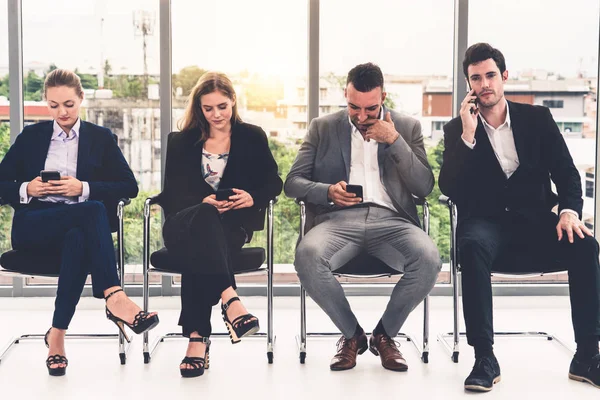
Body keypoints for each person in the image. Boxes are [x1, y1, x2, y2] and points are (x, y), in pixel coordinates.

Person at [439, 42, 600, 392]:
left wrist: (569, 212)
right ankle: (484, 357)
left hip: (536, 224)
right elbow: (449, 186)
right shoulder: (457, 130)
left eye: (491, 75)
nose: (485, 84)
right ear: (470, 85)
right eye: (476, 78)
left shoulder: (537, 119)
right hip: (485, 226)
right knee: (472, 245)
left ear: (504, 76)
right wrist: (468, 135)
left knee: (586, 244)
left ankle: (587, 354)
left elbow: (568, 174)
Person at [0, 69, 159, 376]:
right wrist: (27, 188)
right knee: (92, 210)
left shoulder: (100, 138)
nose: (62, 112)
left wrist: (81, 188)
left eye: (69, 104)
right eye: (54, 105)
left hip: (77, 229)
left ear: (81, 98)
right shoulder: (31, 137)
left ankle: (56, 337)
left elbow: (130, 187)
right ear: (46, 103)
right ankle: (115, 297)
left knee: (78, 236)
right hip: (34, 224)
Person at [285, 62, 441, 371]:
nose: (361, 115)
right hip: (337, 222)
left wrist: (395, 141)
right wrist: (328, 191)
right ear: (345, 93)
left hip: (392, 221)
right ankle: (352, 335)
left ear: (384, 96)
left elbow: (424, 187)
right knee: (307, 255)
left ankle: (384, 335)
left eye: (370, 108)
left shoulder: (408, 127)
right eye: (353, 106)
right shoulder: (323, 127)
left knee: (429, 259)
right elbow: (293, 183)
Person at [159, 71, 282, 378]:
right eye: (208, 108)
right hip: (182, 224)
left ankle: (197, 339)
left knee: (199, 249)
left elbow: (274, 182)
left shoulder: (252, 136)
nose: (216, 114)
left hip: (230, 229)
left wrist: (252, 197)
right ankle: (231, 299)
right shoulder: (181, 141)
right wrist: (203, 202)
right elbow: (172, 194)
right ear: (199, 108)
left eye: (222, 106)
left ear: (233, 102)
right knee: (203, 217)